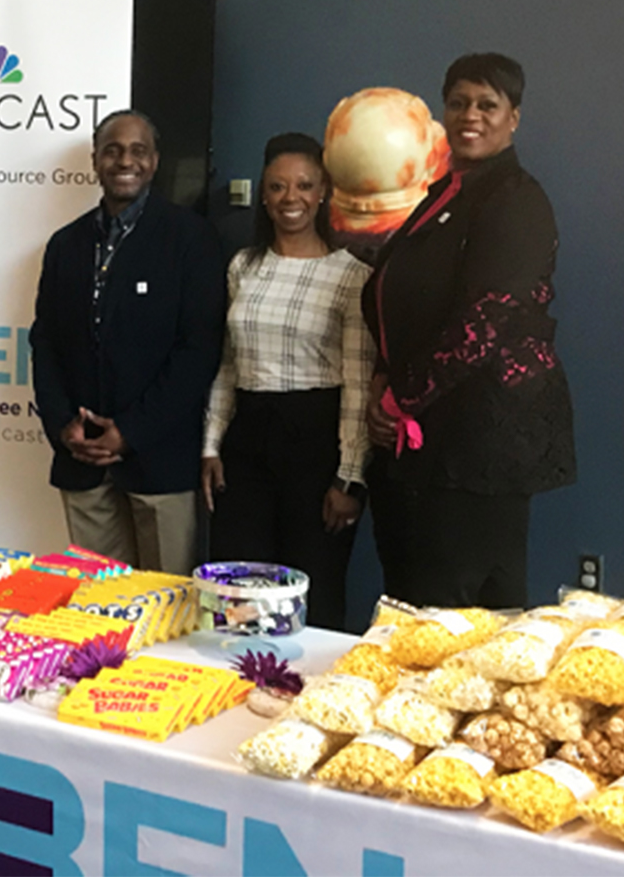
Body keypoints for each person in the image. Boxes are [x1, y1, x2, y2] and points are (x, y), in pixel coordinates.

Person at [362, 52, 576, 609]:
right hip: (425, 440)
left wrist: (400, 399)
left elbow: (486, 323)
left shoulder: (517, 200)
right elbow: (401, 301)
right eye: (458, 103)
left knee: (462, 617)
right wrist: (387, 378)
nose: (470, 116)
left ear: (514, 117)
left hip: (482, 443)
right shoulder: (444, 196)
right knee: (413, 606)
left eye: (487, 104)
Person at [29, 110, 225, 576]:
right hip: (83, 462)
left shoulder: (190, 239)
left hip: (160, 462)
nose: (125, 160)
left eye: (138, 150)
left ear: (155, 162)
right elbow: (46, 342)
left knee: (168, 608)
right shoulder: (66, 245)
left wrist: (131, 432)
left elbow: (198, 351)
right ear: (95, 160)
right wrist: (62, 425)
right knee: (99, 607)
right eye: (112, 150)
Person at [200, 133, 372, 630]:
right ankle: (234, 690)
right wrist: (211, 445)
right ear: (264, 195)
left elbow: (359, 384)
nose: (289, 198)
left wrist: (350, 476)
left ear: (324, 193)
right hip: (246, 441)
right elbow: (228, 365)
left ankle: (310, 698)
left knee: (313, 585)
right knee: (239, 592)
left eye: (303, 185)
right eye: (276, 187)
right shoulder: (243, 266)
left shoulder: (350, 275)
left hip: (316, 443)